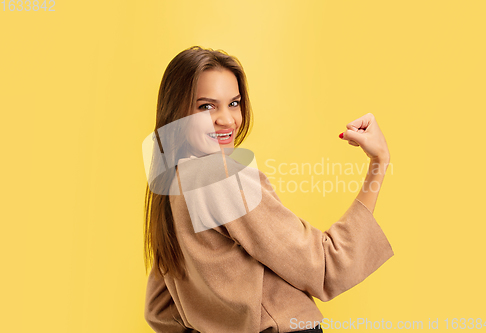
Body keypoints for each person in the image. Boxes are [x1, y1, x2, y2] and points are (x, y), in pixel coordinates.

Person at [143, 45, 394, 333]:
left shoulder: (170, 183)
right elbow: (328, 266)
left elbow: (159, 309)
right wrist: (379, 161)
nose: (227, 120)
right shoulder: (221, 175)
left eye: (234, 103)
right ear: (178, 112)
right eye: (207, 106)